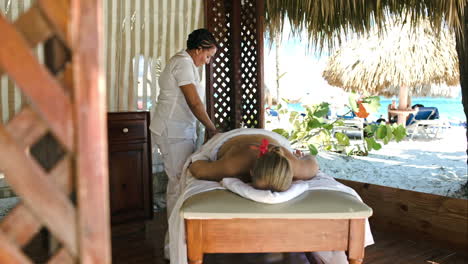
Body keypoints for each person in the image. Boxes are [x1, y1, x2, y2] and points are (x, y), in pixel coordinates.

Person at [150, 29, 219, 216]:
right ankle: (173, 240)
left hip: (177, 129)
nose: (208, 61)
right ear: (198, 49)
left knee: (180, 180)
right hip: (172, 130)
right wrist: (212, 129)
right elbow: (194, 103)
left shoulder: (184, 63)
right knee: (178, 181)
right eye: (207, 56)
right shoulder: (183, 64)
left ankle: (178, 233)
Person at [189, 133, 319, 192]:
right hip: (230, 137)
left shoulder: (296, 167)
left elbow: (311, 159)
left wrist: (300, 157)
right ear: (250, 172)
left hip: (274, 138)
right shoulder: (233, 165)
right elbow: (197, 168)